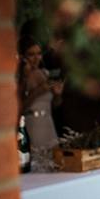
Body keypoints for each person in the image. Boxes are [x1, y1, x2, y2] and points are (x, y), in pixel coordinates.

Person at [17, 35, 63, 170]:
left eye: (38, 53)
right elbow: (19, 107)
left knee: (55, 165)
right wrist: (38, 90)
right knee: (39, 166)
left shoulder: (44, 73)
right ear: (22, 56)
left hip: (48, 123)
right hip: (33, 124)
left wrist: (57, 95)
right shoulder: (21, 77)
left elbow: (55, 105)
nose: (36, 58)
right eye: (31, 54)